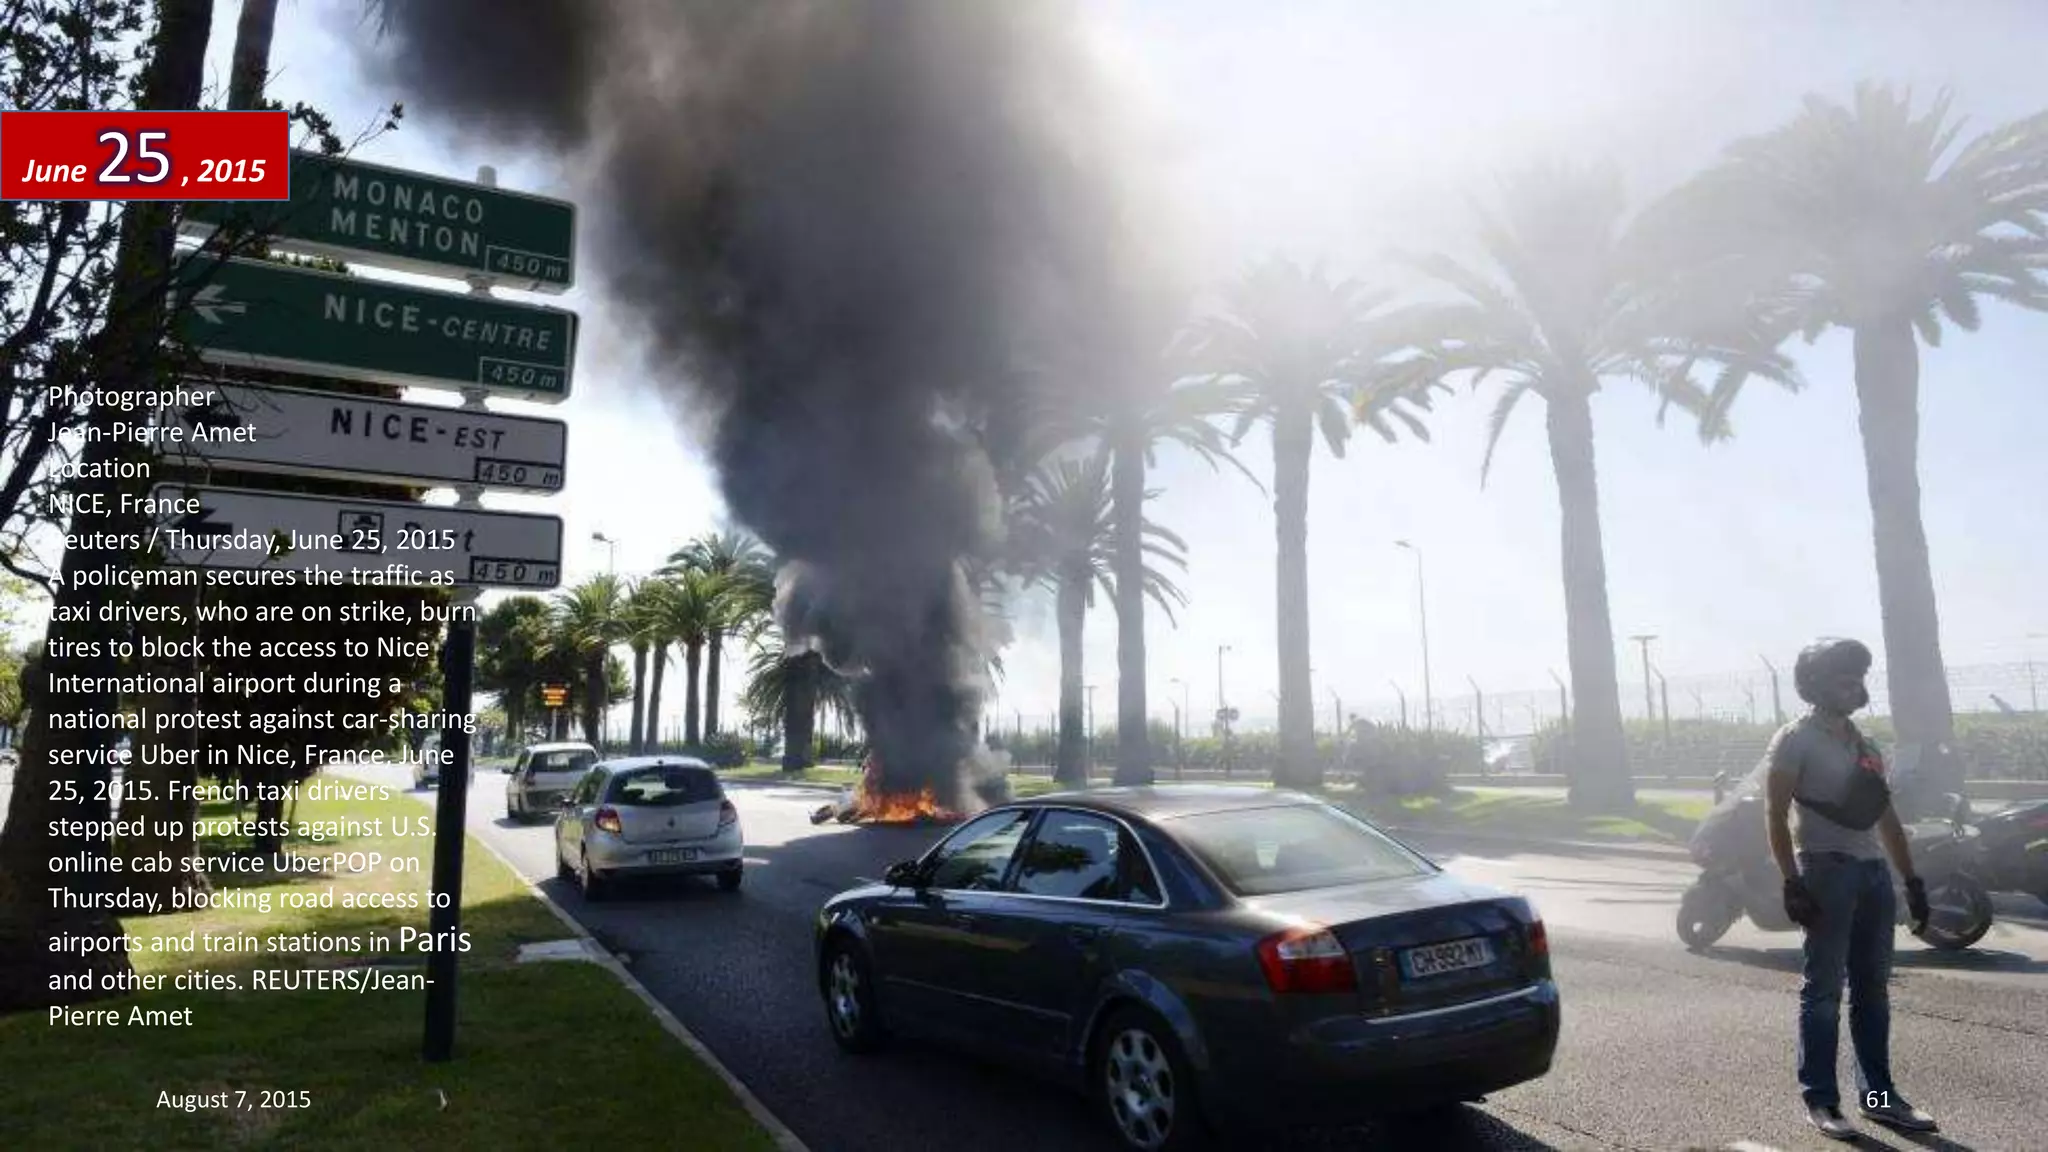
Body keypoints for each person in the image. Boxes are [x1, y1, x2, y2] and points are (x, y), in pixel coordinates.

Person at [1765, 638, 1938, 1141]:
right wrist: (1791, 882)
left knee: (1873, 992)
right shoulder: (1794, 740)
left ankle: (1880, 1100)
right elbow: (1774, 814)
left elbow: (1886, 818)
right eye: (1844, 678)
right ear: (1817, 685)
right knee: (1822, 992)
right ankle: (1821, 1101)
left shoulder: (1867, 746)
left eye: (1858, 678)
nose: (1855, 687)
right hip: (1825, 872)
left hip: (1872, 875)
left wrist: (1913, 881)